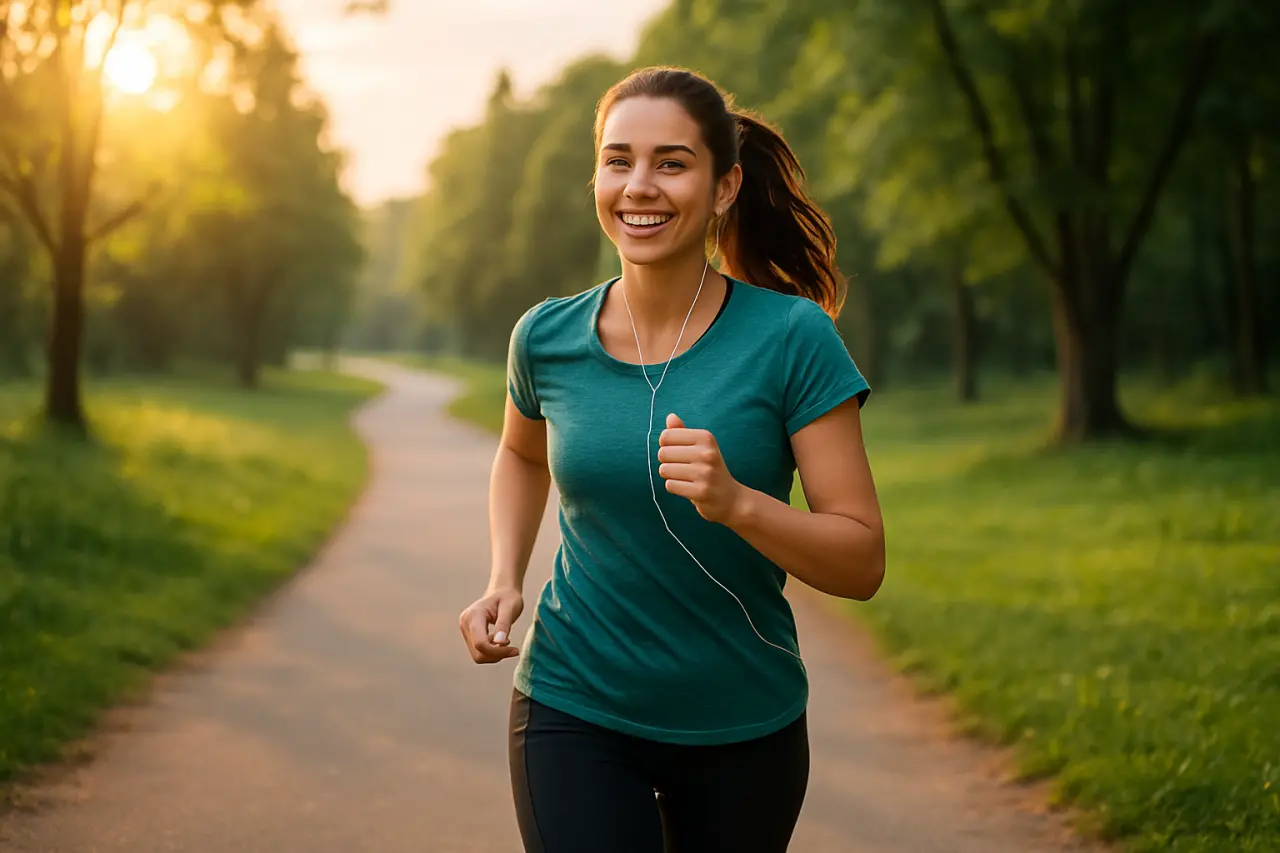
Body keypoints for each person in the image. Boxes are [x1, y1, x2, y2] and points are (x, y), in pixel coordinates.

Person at [458, 65, 886, 853]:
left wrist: (738, 504)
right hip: (573, 701)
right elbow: (521, 453)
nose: (639, 186)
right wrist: (503, 577)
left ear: (725, 188)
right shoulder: (545, 337)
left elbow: (861, 560)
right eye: (618, 161)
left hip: (742, 722)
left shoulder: (793, 338)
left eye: (672, 163)